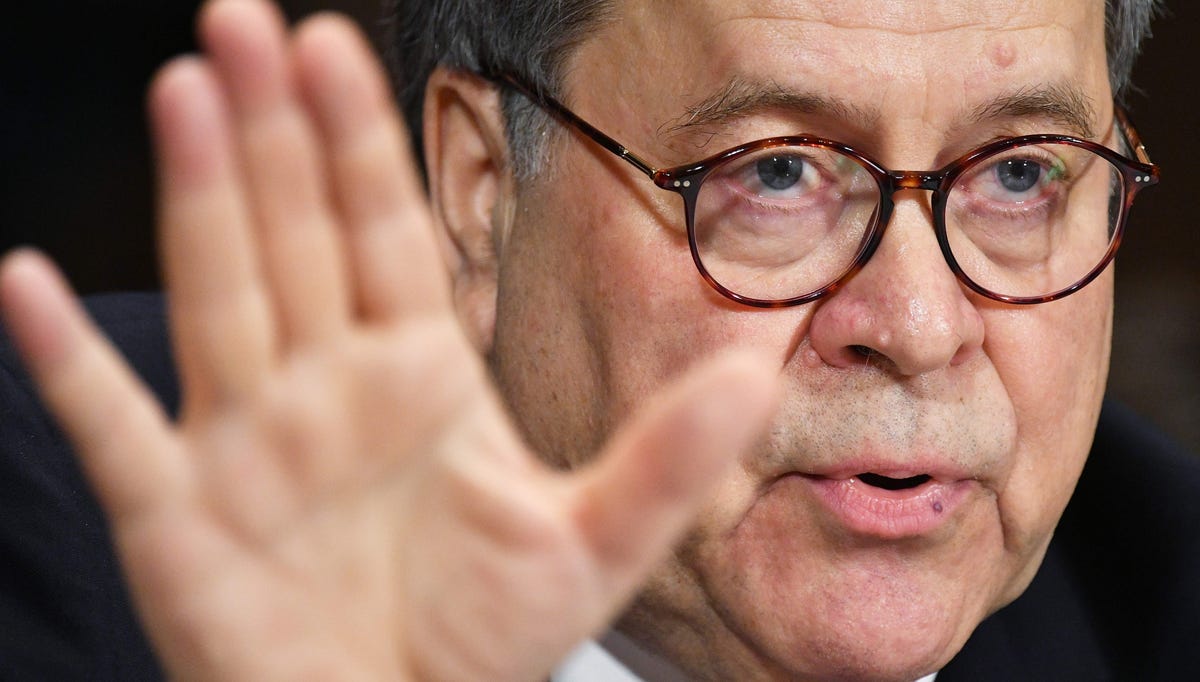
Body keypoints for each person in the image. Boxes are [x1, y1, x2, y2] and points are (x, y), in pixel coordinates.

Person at [0, 0, 1196, 679]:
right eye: (775, 173)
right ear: (481, 194)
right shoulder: (56, 529)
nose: (921, 326)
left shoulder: (1165, 598)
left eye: (1023, 173)